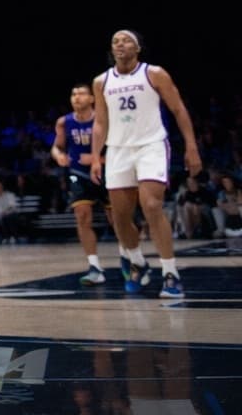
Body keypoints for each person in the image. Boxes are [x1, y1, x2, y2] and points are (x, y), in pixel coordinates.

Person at [90, 29, 201, 299]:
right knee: (119, 216)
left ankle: (170, 273)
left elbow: (178, 109)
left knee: (151, 205)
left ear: (138, 47)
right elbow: (101, 122)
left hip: (151, 145)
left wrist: (191, 146)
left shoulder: (154, 73)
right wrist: (95, 156)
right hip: (118, 149)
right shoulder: (101, 81)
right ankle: (138, 262)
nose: (120, 44)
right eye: (115, 40)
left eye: (126, 40)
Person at [51, 82, 111, 284]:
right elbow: (57, 147)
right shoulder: (64, 122)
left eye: (81, 93)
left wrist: (97, 160)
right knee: (82, 217)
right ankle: (94, 266)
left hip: (107, 172)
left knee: (117, 219)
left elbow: (118, 148)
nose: (76, 97)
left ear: (92, 98)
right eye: (73, 93)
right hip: (78, 173)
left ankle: (130, 257)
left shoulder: (104, 119)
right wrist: (59, 155)